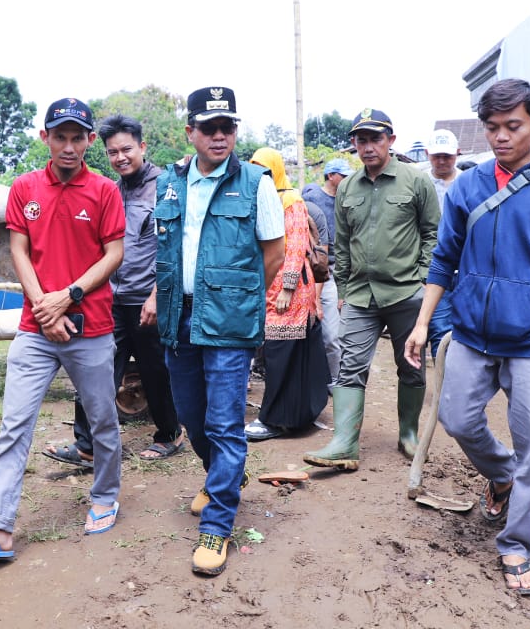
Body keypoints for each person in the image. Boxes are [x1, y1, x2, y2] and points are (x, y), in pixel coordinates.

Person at [404, 78, 530, 597]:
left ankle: (516, 545)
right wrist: (423, 323)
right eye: (492, 128)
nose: (502, 137)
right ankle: (501, 475)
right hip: (470, 335)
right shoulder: (468, 186)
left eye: (513, 126)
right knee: (456, 417)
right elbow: (443, 260)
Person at [0, 98, 125, 561]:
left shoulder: (106, 190)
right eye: (60, 136)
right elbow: (19, 251)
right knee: (14, 425)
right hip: (35, 328)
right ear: (45, 137)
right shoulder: (25, 188)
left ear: (90, 140)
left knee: (103, 419)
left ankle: (105, 496)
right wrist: (44, 308)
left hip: (90, 326)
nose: (69, 146)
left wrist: (67, 296)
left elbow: (113, 255)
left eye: (78, 137)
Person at [154, 87, 284, 577]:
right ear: (190, 132)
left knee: (225, 424)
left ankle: (218, 524)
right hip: (178, 317)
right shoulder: (171, 183)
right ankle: (223, 477)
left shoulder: (256, 183)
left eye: (227, 127)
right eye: (208, 128)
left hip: (229, 321)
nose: (219, 136)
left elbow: (272, 254)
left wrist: (239, 301)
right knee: (192, 415)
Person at [43, 114, 185, 466]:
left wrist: (156, 295)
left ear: (142, 147)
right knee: (97, 368)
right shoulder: (108, 190)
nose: (120, 158)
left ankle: (170, 433)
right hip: (110, 298)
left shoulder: (167, 187)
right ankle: (86, 445)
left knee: (155, 371)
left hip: (148, 297)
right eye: (111, 152)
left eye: (126, 150)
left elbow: (176, 249)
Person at [303, 109, 439, 469]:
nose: (368, 147)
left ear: (390, 141)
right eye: (361, 140)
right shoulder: (347, 187)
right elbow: (342, 244)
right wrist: (344, 288)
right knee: (350, 366)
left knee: (410, 365)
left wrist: (424, 278)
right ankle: (345, 443)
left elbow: (432, 233)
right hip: (362, 296)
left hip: (406, 292)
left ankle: (408, 434)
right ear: (354, 145)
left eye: (375, 139)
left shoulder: (415, 181)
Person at [243, 147, 329, 441]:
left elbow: (295, 247)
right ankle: (292, 415)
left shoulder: (290, 199)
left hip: (289, 291)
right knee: (282, 354)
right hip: (269, 287)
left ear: (276, 170)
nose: (261, 176)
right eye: (256, 170)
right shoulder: (261, 199)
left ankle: (273, 419)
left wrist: (288, 288)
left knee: (282, 355)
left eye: (265, 170)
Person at [301, 158, 352, 383]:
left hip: (332, 270)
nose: (347, 179)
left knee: (332, 334)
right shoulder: (312, 200)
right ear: (331, 175)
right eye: (344, 175)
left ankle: (335, 380)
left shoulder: (348, 199)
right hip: (307, 267)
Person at [425, 128, 460, 357]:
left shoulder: (469, 182)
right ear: (428, 154)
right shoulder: (420, 183)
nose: (441, 161)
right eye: (437, 156)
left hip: (466, 268)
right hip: (433, 268)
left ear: (457, 154)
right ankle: (443, 387)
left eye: (447, 156)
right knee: (440, 330)